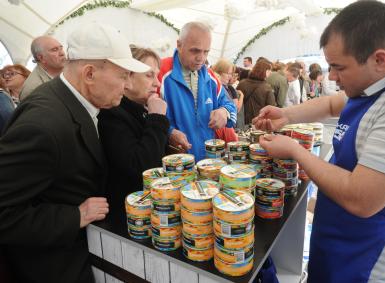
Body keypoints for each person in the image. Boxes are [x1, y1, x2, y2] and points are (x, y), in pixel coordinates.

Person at [253, 1, 385, 282]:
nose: (331, 76)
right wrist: (285, 116)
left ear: (380, 60)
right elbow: (334, 104)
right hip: (339, 242)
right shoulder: (381, 84)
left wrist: (295, 150)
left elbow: (361, 198)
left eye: (338, 67)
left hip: (370, 264)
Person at [0, 23, 149, 283]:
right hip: (56, 265)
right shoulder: (43, 126)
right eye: (123, 75)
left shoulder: (80, 100)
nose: (127, 85)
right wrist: (74, 216)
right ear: (89, 73)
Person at [98, 47, 169, 211]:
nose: (157, 83)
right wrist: (157, 119)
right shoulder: (111, 115)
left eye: (157, 76)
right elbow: (142, 167)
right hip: (131, 212)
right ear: (127, 77)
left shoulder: (137, 109)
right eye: (149, 75)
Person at [158, 21, 236, 161]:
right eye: (195, 50)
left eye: (206, 52)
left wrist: (224, 112)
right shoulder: (160, 72)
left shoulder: (211, 77)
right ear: (179, 45)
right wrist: (168, 132)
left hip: (208, 163)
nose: (201, 58)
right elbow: (145, 116)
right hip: (175, 165)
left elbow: (231, 106)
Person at [20, 35, 66, 101]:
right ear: (41, 58)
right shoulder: (33, 89)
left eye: (61, 48)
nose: (62, 53)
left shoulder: (72, 69)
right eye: (54, 50)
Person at [237, 60, 275, 125]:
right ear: (265, 72)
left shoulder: (242, 83)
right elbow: (271, 107)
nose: (270, 73)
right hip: (257, 122)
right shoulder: (267, 87)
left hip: (241, 120)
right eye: (269, 71)